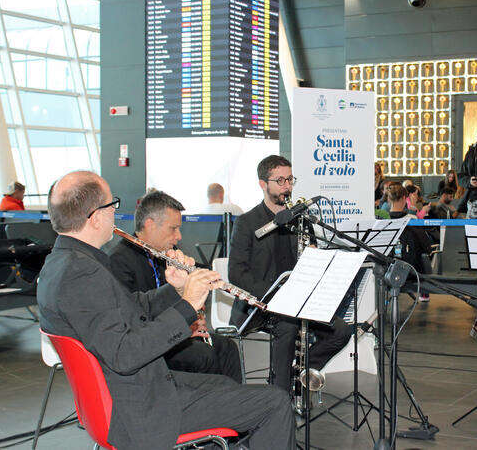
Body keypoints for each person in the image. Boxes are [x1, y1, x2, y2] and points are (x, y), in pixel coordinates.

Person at [38, 170, 294, 450]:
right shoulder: (81, 273)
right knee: (275, 402)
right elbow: (126, 354)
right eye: (112, 205)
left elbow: (132, 307)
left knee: (224, 383)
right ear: (96, 217)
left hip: (136, 391)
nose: (115, 212)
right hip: (141, 411)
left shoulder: (65, 262)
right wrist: (187, 306)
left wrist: (176, 289)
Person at [228, 155, 351, 392]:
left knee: (341, 331)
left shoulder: (302, 221)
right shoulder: (247, 222)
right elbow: (236, 273)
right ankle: (279, 395)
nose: (287, 186)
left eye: (290, 179)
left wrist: (315, 261)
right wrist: (276, 296)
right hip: (261, 304)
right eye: (280, 180)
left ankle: (299, 375)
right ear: (263, 184)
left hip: (298, 303)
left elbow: (312, 266)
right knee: (288, 326)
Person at [109, 190, 242, 382]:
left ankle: (235, 406)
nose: (178, 236)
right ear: (150, 224)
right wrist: (184, 326)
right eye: (173, 229)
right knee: (204, 356)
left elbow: (186, 289)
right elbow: (132, 320)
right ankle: (206, 408)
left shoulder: (167, 253)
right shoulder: (120, 261)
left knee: (227, 348)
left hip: (173, 331)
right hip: (150, 343)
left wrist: (195, 314)